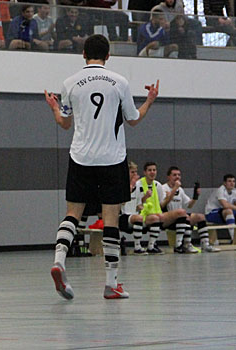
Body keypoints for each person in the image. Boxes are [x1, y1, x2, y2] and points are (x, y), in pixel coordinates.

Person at [44, 34, 159, 300]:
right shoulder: (119, 82)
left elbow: (64, 123)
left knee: (73, 214)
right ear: (108, 56)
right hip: (112, 159)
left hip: (81, 157)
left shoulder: (69, 83)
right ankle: (111, 283)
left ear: (83, 53)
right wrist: (150, 99)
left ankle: (59, 259)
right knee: (111, 219)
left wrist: (53, 108)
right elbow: (133, 119)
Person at [133, 162, 192, 254]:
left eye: (154, 170)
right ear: (144, 172)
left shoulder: (158, 185)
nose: (152, 172)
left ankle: (179, 245)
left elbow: (162, 205)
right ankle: (151, 246)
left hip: (158, 214)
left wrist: (169, 197)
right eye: (149, 170)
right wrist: (145, 197)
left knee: (182, 212)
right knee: (155, 217)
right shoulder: (138, 184)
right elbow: (136, 205)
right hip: (143, 216)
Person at [162, 166, 220, 252]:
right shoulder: (163, 188)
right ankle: (185, 244)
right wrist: (174, 189)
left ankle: (205, 244)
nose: (177, 177)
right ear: (168, 177)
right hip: (167, 218)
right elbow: (163, 204)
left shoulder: (180, 190)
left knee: (200, 216)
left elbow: (189, 205)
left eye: (179, 175)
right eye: (174, 175)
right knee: (183, 214)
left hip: (180, 218)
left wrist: (195, 196)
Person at [118, 161, 162, 255]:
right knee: (138, 218)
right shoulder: (121, 185)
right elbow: (120, 203)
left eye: (136, 172)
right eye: (132, 172)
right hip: (122, 216)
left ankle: (151, 246)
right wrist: (129, 189)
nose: (135, 174)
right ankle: (137, 247)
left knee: (155, 218)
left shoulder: (137, 186)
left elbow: (138, 206)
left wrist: (145, 199)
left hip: (134, 216)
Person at [205, 174, 236, 242]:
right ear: (224, 183)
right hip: (211, 213)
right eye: (229, 181)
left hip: (223, 214)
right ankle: (233, 239)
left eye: (233, 181)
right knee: (228, 211)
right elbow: (225, 205)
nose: (232, 183)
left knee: (229, 211)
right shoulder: (221, 190)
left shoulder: (234, 191)